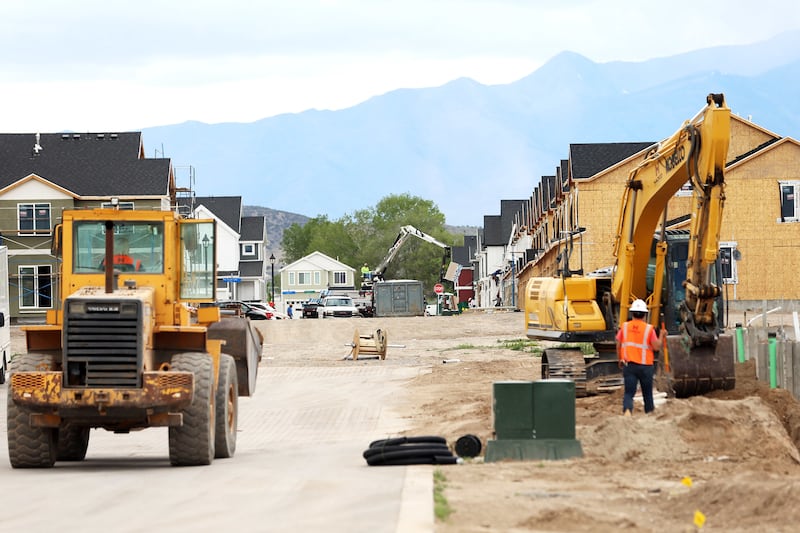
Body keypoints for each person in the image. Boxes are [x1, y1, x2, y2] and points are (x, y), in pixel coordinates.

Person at [616, 299, 666, 416]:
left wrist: (620, 359)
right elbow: (656, 347)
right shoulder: (649, 329)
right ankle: (650, 416)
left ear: (632, 313)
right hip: (645, 367)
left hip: (629, 365)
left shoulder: (625, 327)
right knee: (647, 394)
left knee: (629, 393)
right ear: (645, 314)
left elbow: (618, 344)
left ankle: (627, 412)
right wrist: (662, 336)